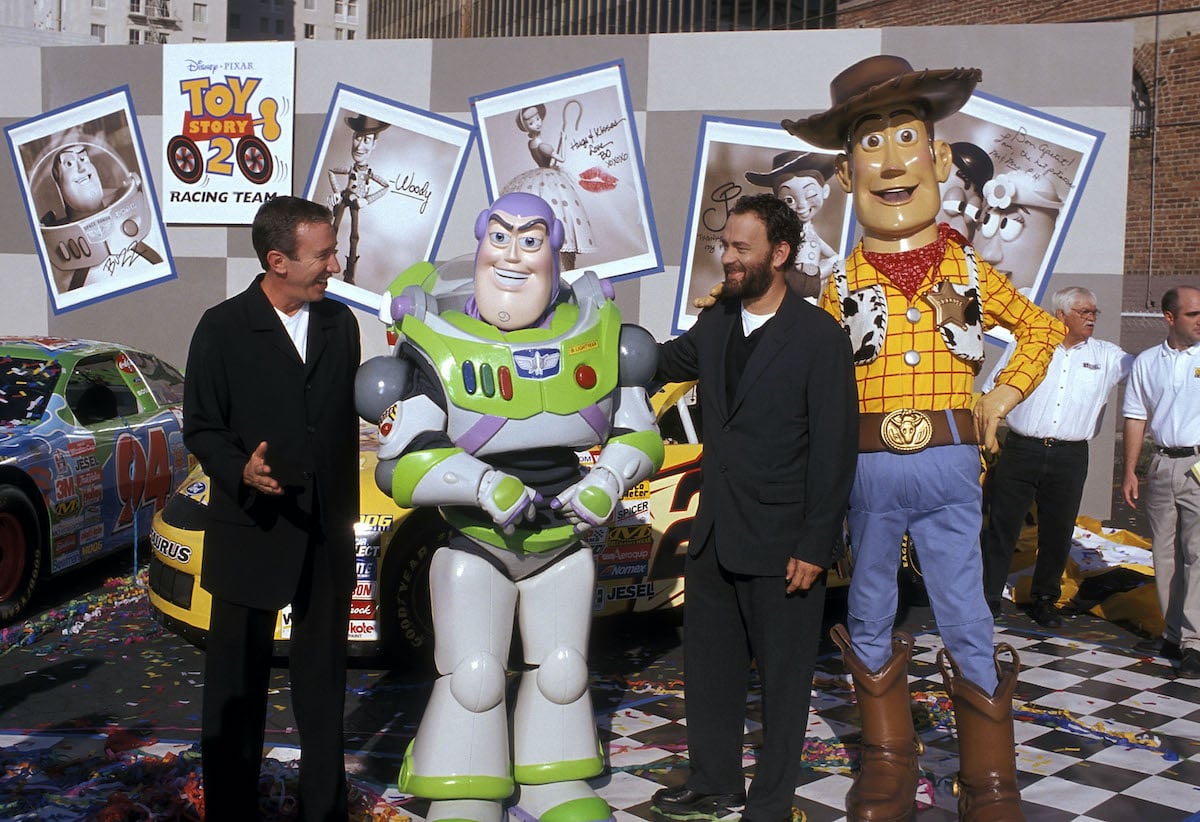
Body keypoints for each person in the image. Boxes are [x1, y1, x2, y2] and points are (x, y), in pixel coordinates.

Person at [782, 54, 1065, 821]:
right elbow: (811, 380)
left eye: (905, 137)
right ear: (848, 173)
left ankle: (989, 775)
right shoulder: (840, 284)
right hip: (868, 473)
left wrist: (1002, 393)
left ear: (937, 157)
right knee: (870, 609)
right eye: (870, 143)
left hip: (950, 467)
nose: (890, 161)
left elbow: (1041, 330)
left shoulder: (969, 270)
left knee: (966, 612)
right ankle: (887, 763)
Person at [367, 192, 663, 822]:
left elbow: (639, 435)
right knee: (473, 673)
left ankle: (553, 780)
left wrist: (607, 479)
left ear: (554, 251)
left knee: (563, 669)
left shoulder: (596, 335)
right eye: (499, 237)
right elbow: (401, 463)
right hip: (477, 542)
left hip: (561, 542)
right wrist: (482, 486)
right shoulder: (438, 345)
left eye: (531, 241)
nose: (512, 255)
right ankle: (464, 788)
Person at [650, 193, 858, 822]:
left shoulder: (819, 337)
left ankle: (769, 802)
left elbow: (835, 450)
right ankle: (714, 781)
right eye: (725, 246)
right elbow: (658, 362)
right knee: (709, 671)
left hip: (784, 543)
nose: (728, 258)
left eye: (742, 248)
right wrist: (589, 331)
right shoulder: (717, 322)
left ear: (781, 253)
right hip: (714, 533)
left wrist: (815, 545)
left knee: (784, 682)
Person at [183, 196, 361, 820]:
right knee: (236, 691)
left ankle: (323, 810)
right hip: (250, 530)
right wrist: (240, 469)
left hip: (325, 534)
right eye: (323, 255)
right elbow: (201, 427)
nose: (335, 265)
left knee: (323, 688)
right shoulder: (222, 327)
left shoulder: (341, 324)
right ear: (278, 261)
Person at [980, 286, 1132, 625]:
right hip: (1022, 449)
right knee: (1002, 526)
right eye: (1084, 312)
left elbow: (1147, 372)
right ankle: (988, 597)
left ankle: (1045, 599)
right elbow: (993, 388)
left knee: (1058, 531)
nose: (1092, 318)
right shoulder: (1026, 348)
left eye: (1094, 312)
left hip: (1070, 455)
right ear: (1061, 315)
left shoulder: (1107, 356)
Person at [1122, 285, 1200, 678]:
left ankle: (1194, 640)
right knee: (1164, 553)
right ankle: (1172, 633)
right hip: (1162, 462)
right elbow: (1136, 416)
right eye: (1192, 314)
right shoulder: (1147, 361)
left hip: (1198, 462)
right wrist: (1130, 470)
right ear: (1169, 317)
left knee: (1196, 553)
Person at [500, 102, 596, 271]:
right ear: (526, 127)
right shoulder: (543, 146)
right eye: (531, 122)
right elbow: (562, 158)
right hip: (550, 181)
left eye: (537, 119)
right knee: (560, 216)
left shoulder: (531, 143)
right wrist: (564, 140)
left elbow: (547, 161)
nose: (537, 123)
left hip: (541, 178)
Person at [744, 150, 840, 299]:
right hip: (789, 285)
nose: (801, 206)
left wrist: (819, 271)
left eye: (810, 195)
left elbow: (834, 257)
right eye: (789, 200)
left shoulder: (813, 235)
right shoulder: (782, 234)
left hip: (812, 285)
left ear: (825, 191)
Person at [327, 113, 390, 284]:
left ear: (374, 144)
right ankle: (326, 265)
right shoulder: (349, 169)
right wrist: (337, 192)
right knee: (333, 229)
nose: (359, 146)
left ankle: (349, 274)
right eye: (357, 138)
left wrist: (367, 199)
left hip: (356, 202)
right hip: (346, 197)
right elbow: (331, 171)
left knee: (354, 235)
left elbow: (386, 186)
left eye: (366, 140)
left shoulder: (370, 173)